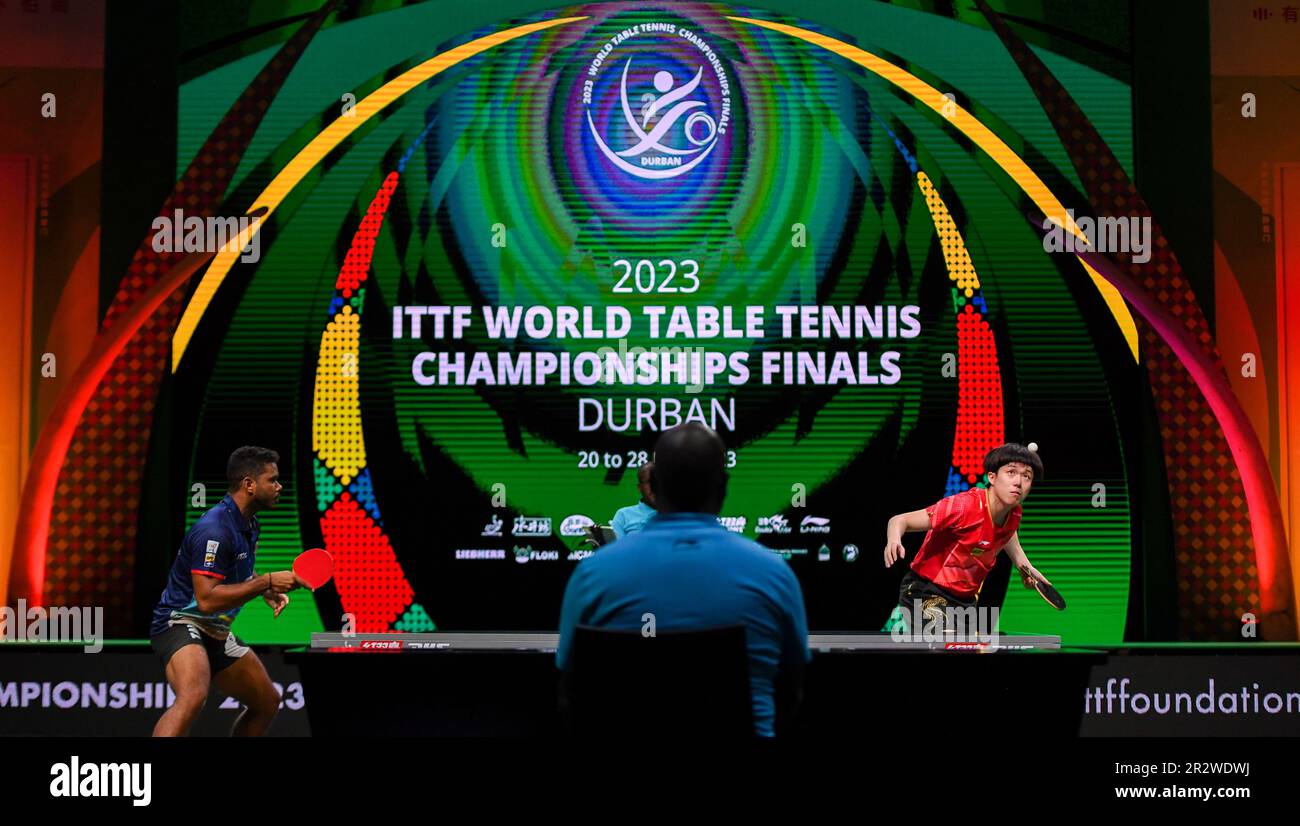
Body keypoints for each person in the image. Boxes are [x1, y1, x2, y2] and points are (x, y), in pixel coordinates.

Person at [558, 424, 810, 736]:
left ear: (655, 486)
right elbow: (792, 692)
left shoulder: (593, 575)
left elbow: (571, 693)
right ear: (723, 486)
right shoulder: (774, 574)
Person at [149, 446, 306, 736]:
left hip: (216, 630)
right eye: (272, 480)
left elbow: (239, 571)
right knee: (193, 695)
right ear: (249, 484)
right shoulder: (215, 529)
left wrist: (263, 588)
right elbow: (206, 600)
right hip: (180, 621)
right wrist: (267, 581)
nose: (279, 486)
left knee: (267, 702)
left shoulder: (249, 524)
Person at [882, 443, 1051, 631]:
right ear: (992, 477)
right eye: (1011, 472)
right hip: (926, 592)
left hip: (964, 601)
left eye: (1026, 476)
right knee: (949, 648)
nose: (1019, 482)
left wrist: (1027, 569)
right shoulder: (963, 507)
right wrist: (894, 540)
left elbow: (1007, 537)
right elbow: (900, 520)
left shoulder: (1014, 513)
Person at [610, 461, 656, 538]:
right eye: (649, 482)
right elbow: (618, 549)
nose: (654, 487)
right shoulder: (623, 516)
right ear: (640, 488)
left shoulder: (676, 515)